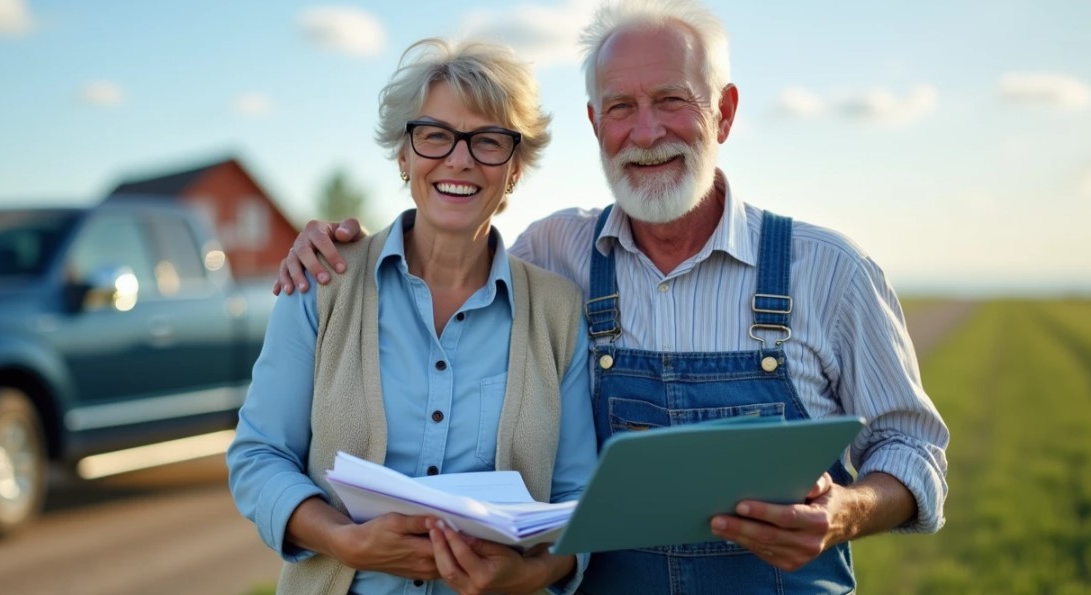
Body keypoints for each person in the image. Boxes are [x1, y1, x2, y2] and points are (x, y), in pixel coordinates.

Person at [271, 1, 950, 593]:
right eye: (621, 108)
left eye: (671, 100)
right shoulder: (555, 256)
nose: (646, 132)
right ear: (596, 125)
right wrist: (339, 245)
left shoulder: (828, 270)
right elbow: (448, 238)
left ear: (725, 111)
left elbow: (912, 447)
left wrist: (843, 513)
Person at [227, 37, 599, 595]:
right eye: (434, 135)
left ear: (516, 168)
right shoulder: (323, 283)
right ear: (403, 154)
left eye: (489, 140)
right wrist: (340, 539)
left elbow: (579, 505)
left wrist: (529, 573)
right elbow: (258, 456)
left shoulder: (558, 312)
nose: (459, 159)